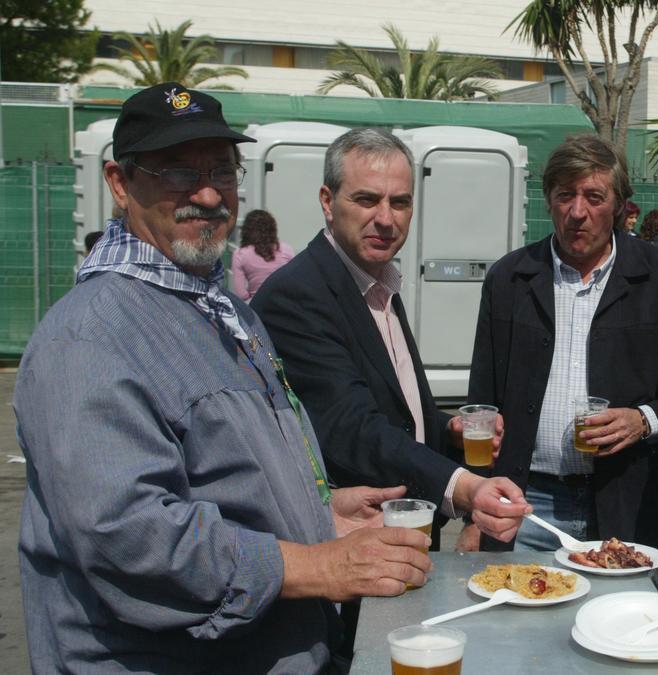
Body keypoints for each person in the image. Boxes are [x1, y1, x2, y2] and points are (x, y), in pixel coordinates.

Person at [15, 82, 434, 673]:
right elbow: (128, 533)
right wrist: (317, 565)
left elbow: (223, 473)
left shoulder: (225, 309)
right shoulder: (89, 336)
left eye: (223, 170)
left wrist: (319, 513)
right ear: (119, 182)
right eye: (178, 172)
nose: (209, 193)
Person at [252, 128, 530, 554]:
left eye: (399, 202)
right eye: (366, 199)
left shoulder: (376, 281)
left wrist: (446, 429)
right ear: (328, 202)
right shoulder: (300, 294)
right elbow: (351, 426)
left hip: (404, 536)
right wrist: (464, 486)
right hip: (353, 547)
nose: (386, 218)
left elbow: (394, 408)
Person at [468, 134, 658, 551]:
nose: (577, 212)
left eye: (594, 196)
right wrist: (472, 510)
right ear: (548, 199)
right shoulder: (510, 279)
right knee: (521, 616)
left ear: (621, 206)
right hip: (526, 507)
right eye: (565, 195)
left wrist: (645, 420)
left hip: (627, 505)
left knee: (620, 616)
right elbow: (482, 402)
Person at [231, 208, 294, 300]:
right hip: (285, 305)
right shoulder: (286, 250)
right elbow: (296, 283)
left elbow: (240, 294)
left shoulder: (240, 254)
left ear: (246, 230)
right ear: (272, 228)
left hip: (257, 307)